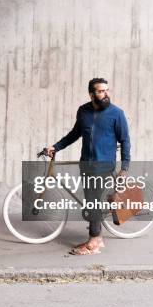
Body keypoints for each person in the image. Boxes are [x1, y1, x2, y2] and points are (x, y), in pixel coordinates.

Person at [44, 78, 130, 255]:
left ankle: (95, 241)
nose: (106, 94)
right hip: (86, 164)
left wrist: (124, 168)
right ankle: (96, 234)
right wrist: (56, 147)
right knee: (92, 200)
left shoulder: (117, 113)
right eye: (101, 91)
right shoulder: (83, 111)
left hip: (104, 165)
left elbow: (125, 141)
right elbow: (74, 134)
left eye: (107, 90)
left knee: (93, 201)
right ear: (91, 94)